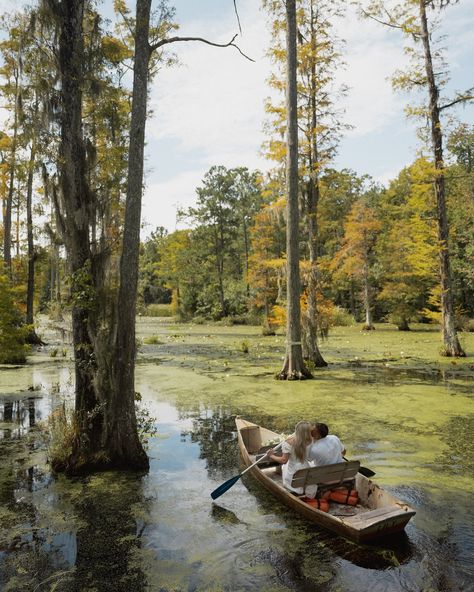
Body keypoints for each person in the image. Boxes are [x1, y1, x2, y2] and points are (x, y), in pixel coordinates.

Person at [267, 421, 317, 497]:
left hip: (294, 473)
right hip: (305, 468)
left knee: (285, 466)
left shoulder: (287, 442)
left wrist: (271, 455)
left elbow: (284, 460)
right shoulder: (311, 440)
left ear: (296, 430)